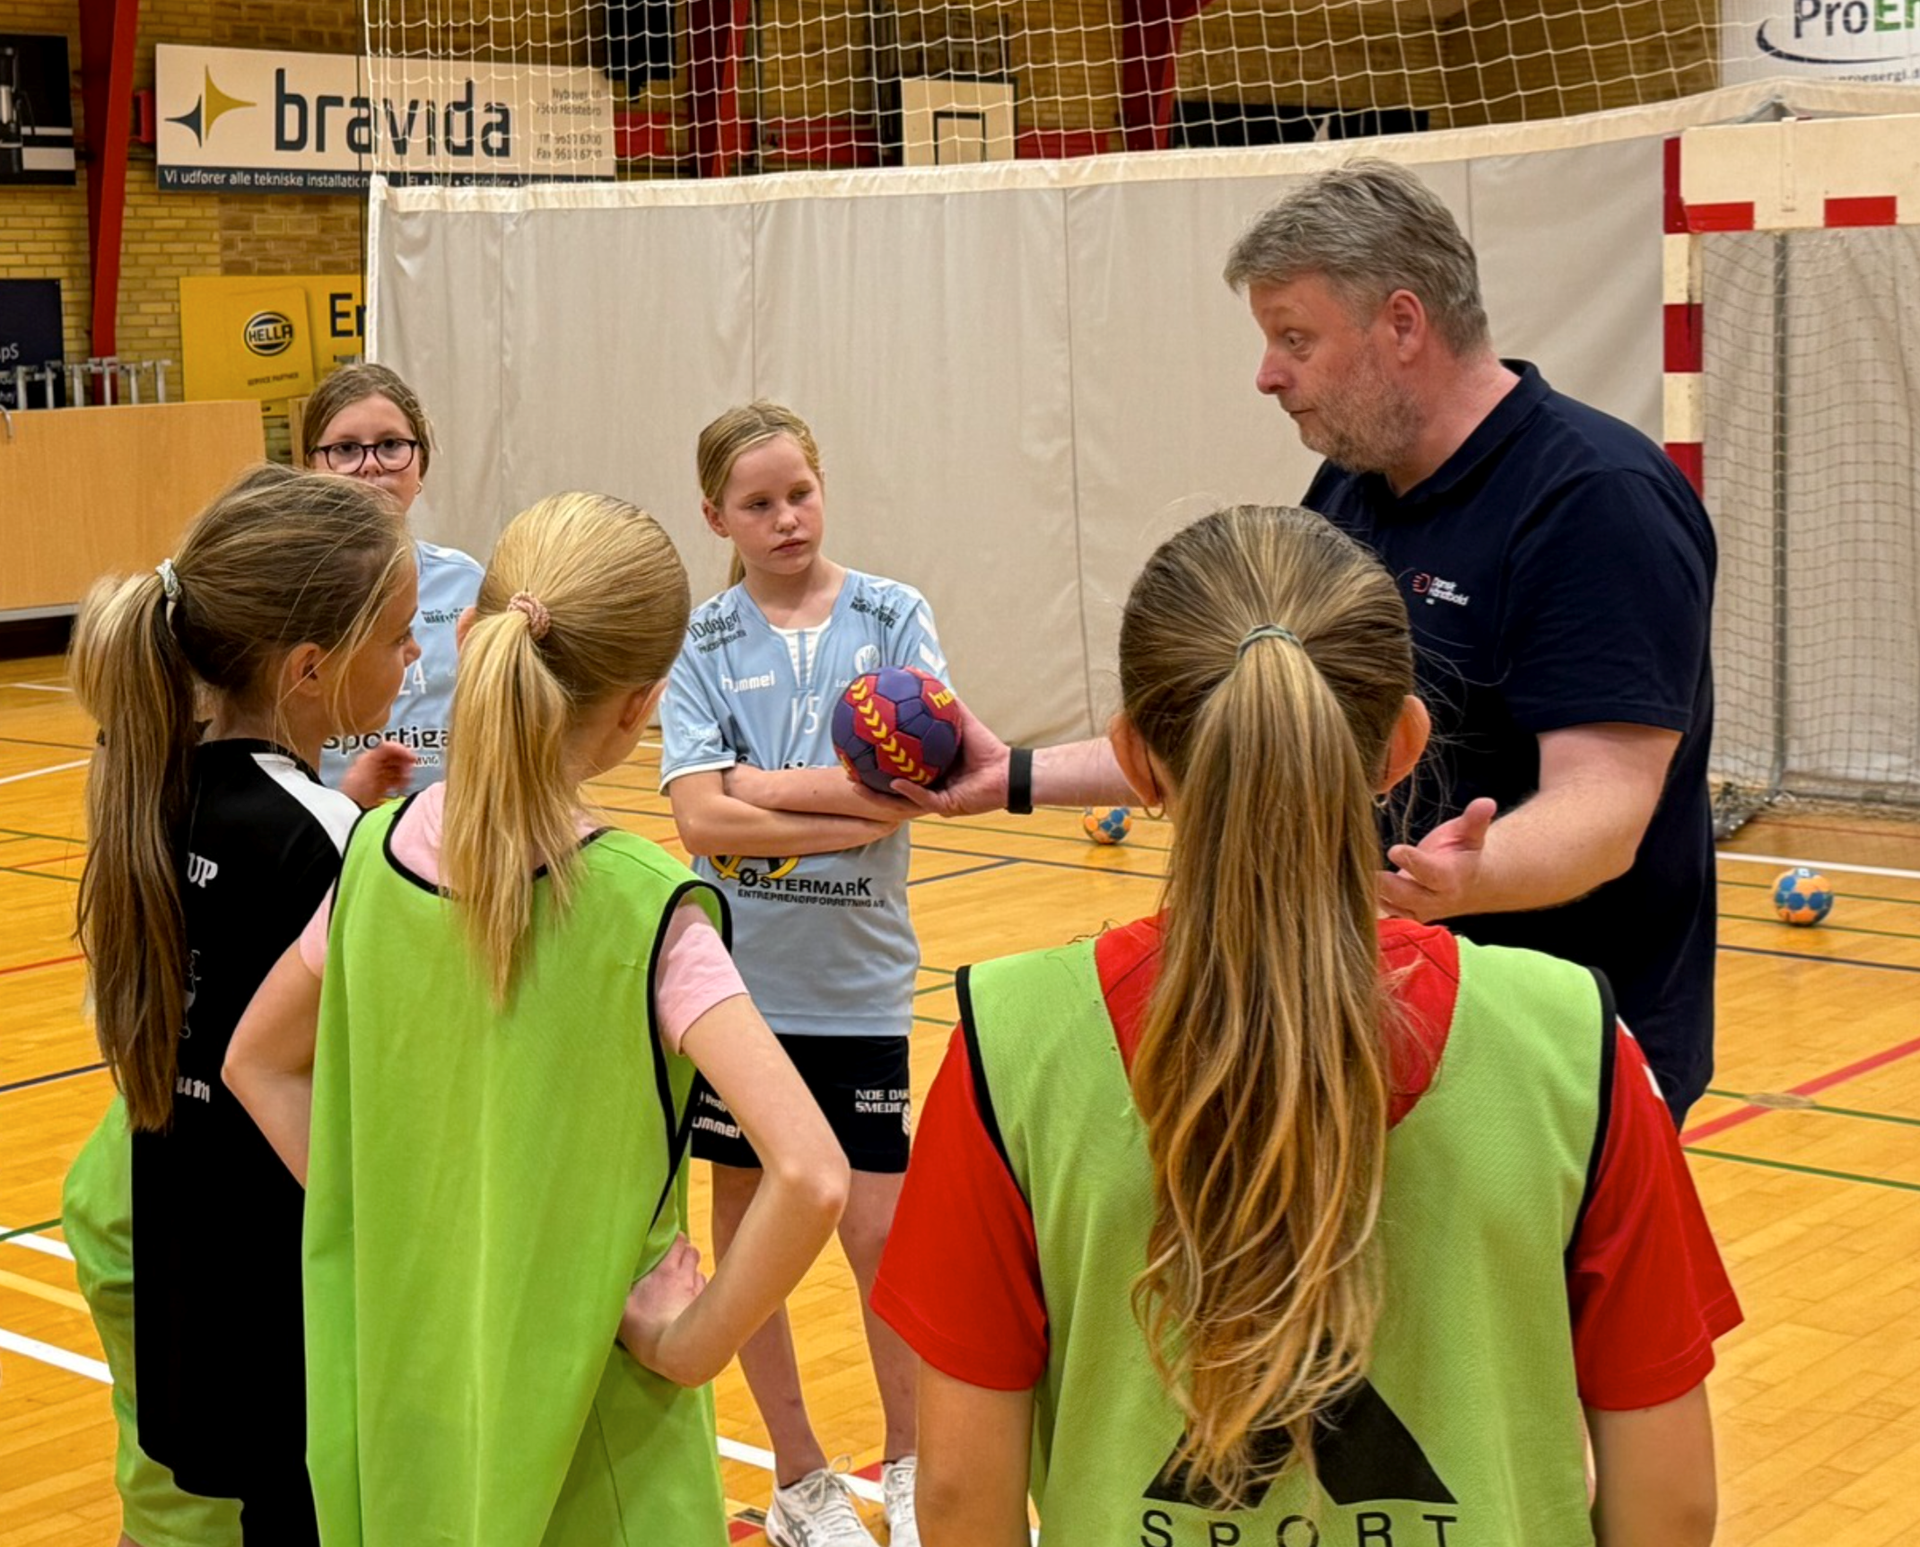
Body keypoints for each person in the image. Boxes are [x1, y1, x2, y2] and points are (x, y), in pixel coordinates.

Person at [873, 505, 1740, 1546]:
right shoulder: (1578, 1042)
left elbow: (962, 1499)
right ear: (1402, 743)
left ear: (1135, 758)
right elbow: (1670, 1507)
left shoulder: (1009, 1044)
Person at [910, 160, 1718, 1125]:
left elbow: (1606, 808)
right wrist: (1010, 775)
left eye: (1295, 338)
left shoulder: (1594, 502)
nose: (1267, 375)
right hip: (1379, 1017)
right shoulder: (1353, 488)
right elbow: (1246, 720)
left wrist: (1468, 874)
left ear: (1403, 323)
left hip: (1562, 1055)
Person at [223, 491, 850, 1547]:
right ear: (642, 706)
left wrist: (398, 1219)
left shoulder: (371, 855)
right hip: (593, 1431)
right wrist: (690, 1344)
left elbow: (258, 1063)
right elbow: (813, 1171)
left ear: (468, 637)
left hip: (410, 1399)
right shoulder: (648, 909)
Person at [63, 464, 421, 1545]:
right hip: (295, 1283)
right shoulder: (330, 843)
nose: (413, 656)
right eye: (397, 636)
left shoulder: (153, 788)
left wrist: (331, 811)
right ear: (311, 667)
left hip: (193, 1261)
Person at [660, 401, 944, 1547]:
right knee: (754, 1243)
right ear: (715, 515)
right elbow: (697, 820)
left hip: (859, 983)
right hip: (737, 994)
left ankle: (913, 1465)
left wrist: (754, 787)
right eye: (758, 503)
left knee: (882, 1238)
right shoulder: (700, 639)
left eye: (800, 494)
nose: (785, 518)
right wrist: (839, 797)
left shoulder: (893, 614)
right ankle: (799, 1479)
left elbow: (914, 782)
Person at [302, 361, 483, 799]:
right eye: (346, 449)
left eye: (390, 445)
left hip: (442, 825)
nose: (370, 466)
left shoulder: (465, 582)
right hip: (326, 828)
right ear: (311, 465)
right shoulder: (286, 587)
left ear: (421, 461)